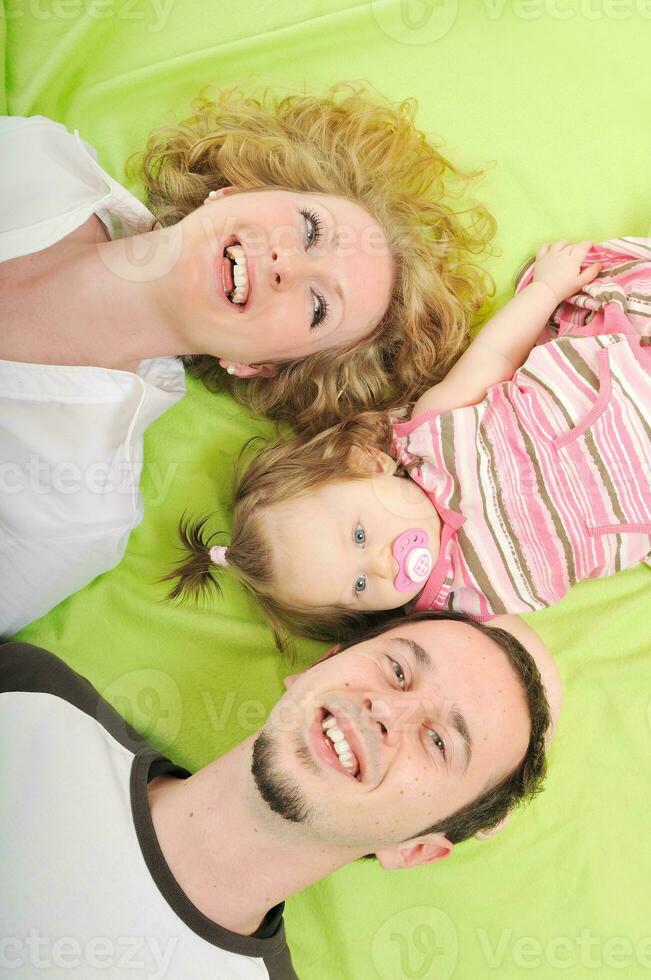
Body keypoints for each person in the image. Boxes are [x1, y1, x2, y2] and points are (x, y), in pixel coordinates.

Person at [0, 83, 492, 637]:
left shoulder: (76, 514)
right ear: (231, 193)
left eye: (318, 306)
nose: (288, 266)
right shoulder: (37, 159)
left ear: (257, 364)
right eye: (310, 229)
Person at [0, 610, 559, 979]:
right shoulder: (30, 694)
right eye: (397, 669)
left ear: (413, 850)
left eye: (438, 741)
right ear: (319, 665)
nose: (387, 709)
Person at [169, 240, 651, 644]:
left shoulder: (433, 437)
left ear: (364, 462)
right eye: (358, 585)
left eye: (360, 535)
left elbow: (497, 354)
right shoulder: (452, 610)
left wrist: (547, 290)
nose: (380, 565)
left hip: (622, 393)